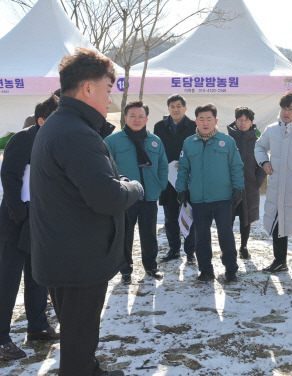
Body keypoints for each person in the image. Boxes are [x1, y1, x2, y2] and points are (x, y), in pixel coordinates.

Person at [30, 48, 142, 376]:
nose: (111, 99)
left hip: (67, 254)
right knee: (78, 344)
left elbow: (88, 184)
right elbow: (107, 197)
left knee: (80, 337)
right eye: (109, 89)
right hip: (77, 261)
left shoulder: (61, 125)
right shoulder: (76, 133)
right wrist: (134, 187)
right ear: (88, 89)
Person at [0, 95, 60, 361]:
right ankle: (1, 338)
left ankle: (37, 326)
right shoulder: (23, 139)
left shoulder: (57, 141)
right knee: (7, 281)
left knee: (38, 275)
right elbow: (9, 177)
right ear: (41, 120)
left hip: (41, 219)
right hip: (15, 221)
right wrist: (18, 212)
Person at [175, 104, 244, 283]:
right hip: (198, 199)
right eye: (201, 119)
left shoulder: (227, 141)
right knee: (201, 237)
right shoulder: (189, 142)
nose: (205, 123)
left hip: (223, 198)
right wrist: (181, 188)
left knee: (226, 235)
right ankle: (205, 270)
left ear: (216, 121)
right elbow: (183, 168)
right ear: (196, 121)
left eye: (209, 119)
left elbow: (236, 167)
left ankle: (231, 269)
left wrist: (238, 188)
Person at [105, 101, 168, 284]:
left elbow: (163, 165)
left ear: (147, 119)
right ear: (125, 118)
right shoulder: (112, 141)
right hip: (125, 197)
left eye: (141, 116)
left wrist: (160, 185)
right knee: (125, 234)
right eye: (132, 116)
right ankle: (125, 269)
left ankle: (151, 266)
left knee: (149, 234)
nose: (137, 120)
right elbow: (106, 167)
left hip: (149, 196)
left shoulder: (155, 140)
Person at [254, 92, 292, 281]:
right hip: (277, 186)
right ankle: (279, 261)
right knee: (278, 226)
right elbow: (259, 147)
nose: (286, 112)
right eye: (284, 108)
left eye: (291, 109)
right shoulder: (272, 130)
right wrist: (263, 163)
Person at [153, 95, 197, 263]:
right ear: (168, 108)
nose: (176, 109)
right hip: (167, 176)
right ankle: (174, 249)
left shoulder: (194, 126)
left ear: (185, 108)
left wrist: (186, 163)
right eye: (172, 106)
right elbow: (157, 150)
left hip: (187, 177)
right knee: (170, 216)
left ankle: (190, 251)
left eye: (179, 106)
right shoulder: (160, 127)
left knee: (188, 214)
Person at [227, 107, 267, 260]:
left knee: (246, 218)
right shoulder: (228, 140)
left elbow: (263, 164)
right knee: (227, 218)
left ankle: (243, 246)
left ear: (252, 123)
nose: (243, 123)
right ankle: (229, 246)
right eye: (240, 120)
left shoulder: (258, 142)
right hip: (229, 187)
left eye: (246, 120)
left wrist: (257, 181)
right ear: (236, 121)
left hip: (249, 186)